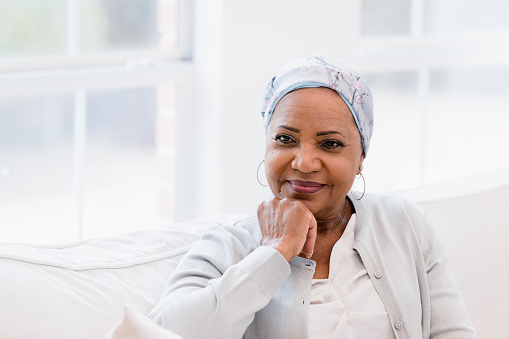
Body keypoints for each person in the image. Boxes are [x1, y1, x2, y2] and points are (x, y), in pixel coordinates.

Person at [149, 56, 476, 338]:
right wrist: (273, 254)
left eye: (330, 143)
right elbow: (160, 334)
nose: (303, 163)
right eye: (285, 138)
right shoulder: (226, 247)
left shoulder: (404, 223)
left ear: (361, 156)